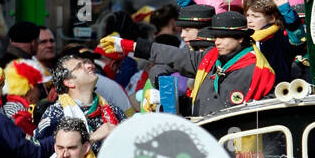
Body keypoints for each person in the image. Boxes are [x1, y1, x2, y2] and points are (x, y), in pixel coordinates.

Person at [100, 10, 275, 116]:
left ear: (241, 38)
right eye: (216, 37)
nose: (217, 42)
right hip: (204, 134)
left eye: (223, 37)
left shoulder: (256, 69)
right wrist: (128, 45)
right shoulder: (211, 56)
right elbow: (173, 56)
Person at [35, 53, 121, 146]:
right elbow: (44, 150)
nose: (90, 66)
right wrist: (93, 137)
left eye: (88, 63)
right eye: (79, 66)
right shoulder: (56, 112)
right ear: (69, 82)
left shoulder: (113, 110)